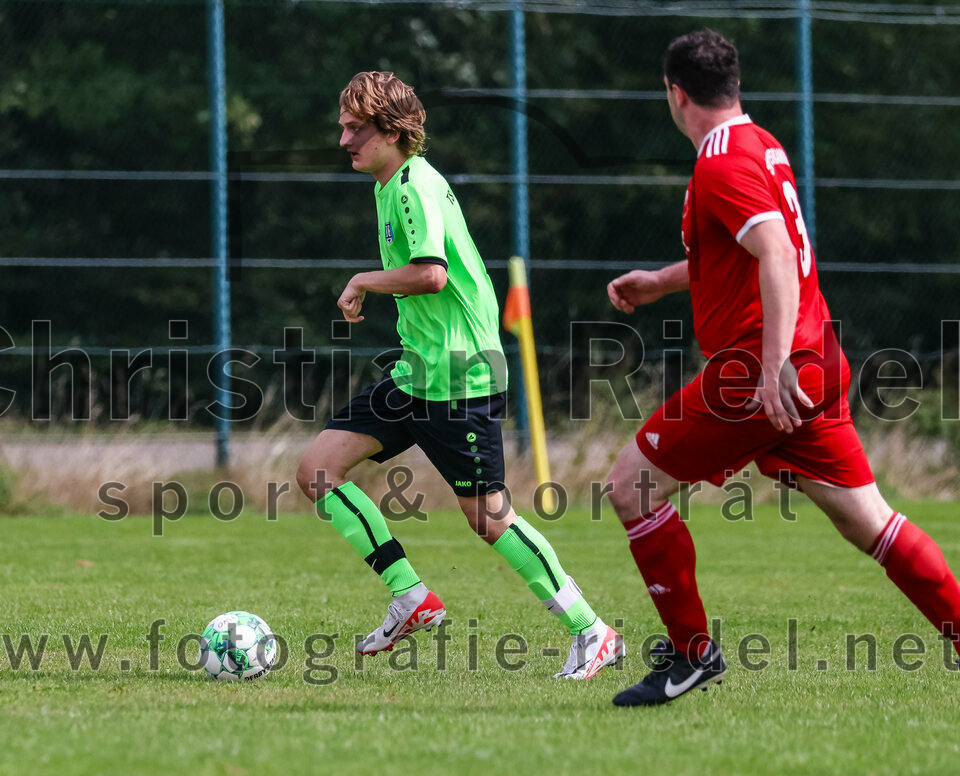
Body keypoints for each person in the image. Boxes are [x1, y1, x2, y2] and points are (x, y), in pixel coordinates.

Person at [605, 29, 960, 706]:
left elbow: (773, 253)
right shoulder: (760, 145)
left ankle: (691, 655)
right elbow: (757, 253)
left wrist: (769, 370)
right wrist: (661, 281)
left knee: (631, 486)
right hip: (815, 361)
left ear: (676, 95)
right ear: (732, 87)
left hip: (762, 370)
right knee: (870, 521)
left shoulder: (720, 163)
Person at [296, 71, 622, 679]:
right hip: (416, 374)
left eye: (354, 128)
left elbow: (432, 274)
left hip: (457, 378)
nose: (343, 140)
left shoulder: (415, 185)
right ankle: (412, 597)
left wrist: (363, 279)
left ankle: (593, 630)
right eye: (342, 126)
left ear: (392, 131)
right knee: (317, 469)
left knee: (489, 518)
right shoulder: (389, 184)